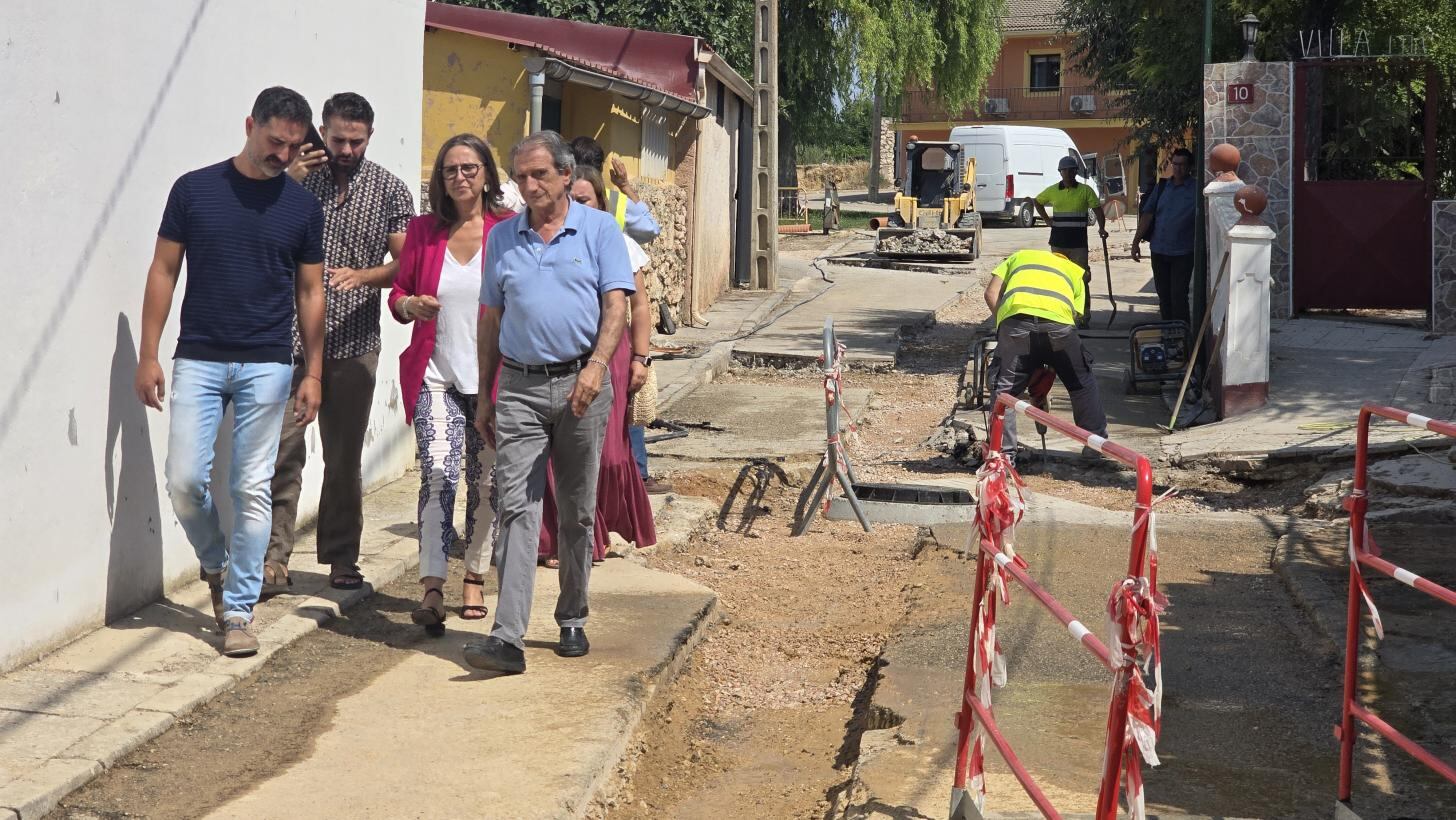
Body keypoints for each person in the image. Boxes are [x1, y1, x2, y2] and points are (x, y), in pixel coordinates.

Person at [134, 86, 325, 658]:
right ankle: (215, 563)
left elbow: (311, 291)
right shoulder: (194, 190)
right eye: (275, 141)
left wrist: (312, 372)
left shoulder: (301, 208)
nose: (283, 155)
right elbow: (164, 270)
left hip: (269, 361)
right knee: (186, 482)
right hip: (199, 356)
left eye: (293, 146)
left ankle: (238, 608)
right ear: (250, 125)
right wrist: (148, 352)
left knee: (251, 487)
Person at [464, 131, 634, 675]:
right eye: (520, 177)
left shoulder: (600, 231)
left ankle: (572, 617)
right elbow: (490, 318)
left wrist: (597, 367)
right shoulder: (503, 240)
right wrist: (485, 394)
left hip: (583, 385)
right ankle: (508, 637)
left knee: (579, 512)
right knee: (517, 506)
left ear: (565, 176)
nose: (529, 186)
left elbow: (616, 307)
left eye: (539, 175)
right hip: (518, 388)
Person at [264, 92, 415, 594]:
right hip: (289, 341)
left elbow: (406, 265)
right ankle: (273, 560)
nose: (346, 149)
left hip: (354, 343)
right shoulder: (296, 178)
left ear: (370, 135)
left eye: (355, 140)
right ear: (322, 131)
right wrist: (289, 185)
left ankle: (341, 558)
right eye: (337, 139)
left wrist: (366, 276)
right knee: (283, 453)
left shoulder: (391, 191)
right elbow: (261, 231)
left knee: (344, 458)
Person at [388, 134, 514, 631]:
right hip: (435, 376)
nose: (460, 177)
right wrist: (408, 305)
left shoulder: (507, 231)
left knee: (487, 482)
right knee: (438, 473)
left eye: (469, 168)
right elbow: (399, 292)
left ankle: (476, 575)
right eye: (449, 170)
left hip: (494, 382)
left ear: (486, 173)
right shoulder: (423, 232)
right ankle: (433, 586)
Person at [533, 166, 657, 569]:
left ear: (600, 204)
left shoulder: (618, 243)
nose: (577, 206)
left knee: (604, 452)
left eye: (585, 200)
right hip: (555, 357)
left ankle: (593, 531)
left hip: (610, 356)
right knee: (557, 450)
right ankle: (559, 539)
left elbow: (638, 306)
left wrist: (640, 357)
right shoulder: (544, 239)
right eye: (574, 199)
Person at [569, 136, 671, 493]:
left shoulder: (612, 212)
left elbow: (637, 302)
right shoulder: (559, 223)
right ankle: (632, 475)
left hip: (611, 340)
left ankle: (630, 477)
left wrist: (639, 356)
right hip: (573, 345)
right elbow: (651, 228)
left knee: (619, 422)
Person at [982, 248, 1107, 460]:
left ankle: (1002, 455)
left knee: (1005, 392)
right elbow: (1074, 318)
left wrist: (1005, 328)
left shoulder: (1018, 257)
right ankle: (1095, 447)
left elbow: (990, 294)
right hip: (1059, 327)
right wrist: (1051, 363)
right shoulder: (1074, 271)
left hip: (1017, 324)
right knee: (1081, 382)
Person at [1033, 156, 1108, 325]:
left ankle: (1083, 316)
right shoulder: (1053, 190)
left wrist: (1102, 228)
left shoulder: (1085, 191)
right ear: (1060, 172)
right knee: (1059, 279)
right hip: (1058, 242)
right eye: (1064, 170)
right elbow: (1037, 201)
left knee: (1081, 279)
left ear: (1076, 171)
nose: (1068, 173)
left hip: (1078, 244)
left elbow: (1098, 210)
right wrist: (1047, 219)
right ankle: (1062, 314)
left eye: (1071, 170)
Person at [1131, 147, 1197, 325]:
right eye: (1175, 164)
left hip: (1183, 253)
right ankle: (1167, 334)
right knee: (1164, 297)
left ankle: (1183, 338)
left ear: (1190, 166)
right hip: (1159, 251)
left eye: (1182, 165)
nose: (1178, 168)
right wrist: (1136, 241)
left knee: (1178, 297)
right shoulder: (1162, 188)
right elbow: (1147, 215)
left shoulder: (1196, 191)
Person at [568, 136, 661, 244]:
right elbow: (652, 229)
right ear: (601, 167)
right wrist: (625, 187)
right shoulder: (617, 202)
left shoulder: (560, 197)